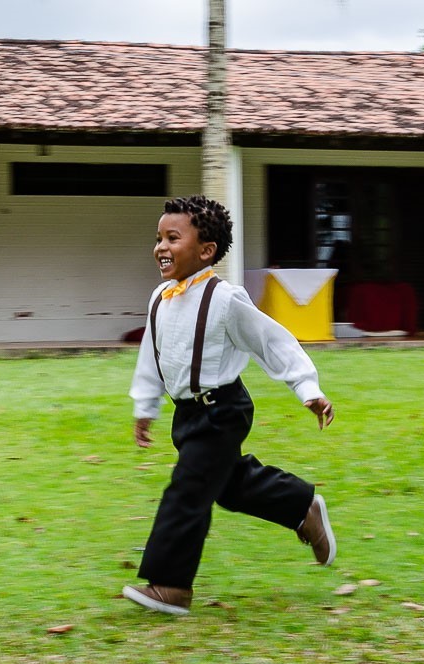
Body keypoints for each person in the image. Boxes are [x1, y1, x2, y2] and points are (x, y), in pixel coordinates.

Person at [123, 195, 336, 617]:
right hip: (187, 414)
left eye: (172, 238)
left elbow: (271, 341)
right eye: (159, 238)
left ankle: (171, 585)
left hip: (222, 410)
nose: (161, 247)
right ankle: (302, 506)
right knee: (229, 485)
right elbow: (152, 356)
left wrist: (306, 387)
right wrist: (145, 406)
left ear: (205, 251)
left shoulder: (224, 298)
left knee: (188, 491)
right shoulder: (159, 299)